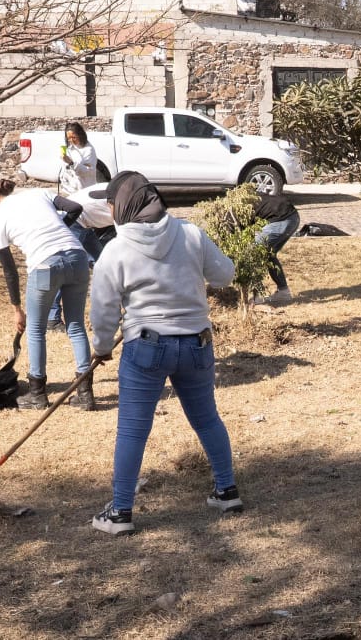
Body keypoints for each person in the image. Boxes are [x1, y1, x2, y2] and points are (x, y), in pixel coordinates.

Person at [87, 171, 241, 535]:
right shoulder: (189, 234)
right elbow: (226, 274)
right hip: (196, 343)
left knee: (132, 431)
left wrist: (102, 347)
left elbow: (104, 308)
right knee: (206, 419)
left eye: (110, 205)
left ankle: (121, 512)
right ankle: (227, 490)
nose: (108, 211)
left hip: (145, 348)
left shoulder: (116, 249)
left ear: (121, 206)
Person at [0, 178, 96, 410]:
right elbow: (75, 208)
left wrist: (16, 309)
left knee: (37, 330)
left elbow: (10, 271)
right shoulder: (38, 193)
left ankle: (37, 395)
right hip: (78, 257)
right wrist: (61, 227)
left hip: (45, 265)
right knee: (76, 325)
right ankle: (85, 394)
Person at [47, 181, 118, 331]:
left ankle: (108, 313)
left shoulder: (123, 191)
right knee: (65, 269)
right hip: (72, 220)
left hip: (84, 223)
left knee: (103, 265)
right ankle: (51, 319)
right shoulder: (124, 200)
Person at [251, 189, 300, 306]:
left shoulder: (234, 211)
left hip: (281, 220)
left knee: (252, 254)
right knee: (268, 255)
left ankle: (257, 297)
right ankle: (283, 292)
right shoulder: (251, 198)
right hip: (294, 217)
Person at [58, 122, 100, 196]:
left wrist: (71, 163)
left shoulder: (88, 150)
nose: (71, 140)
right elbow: (65, 168)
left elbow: (88, 171)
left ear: (80, 135)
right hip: (68, 189)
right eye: (68, 138)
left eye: (74, 137)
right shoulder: (70, 148)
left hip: (83, 191)